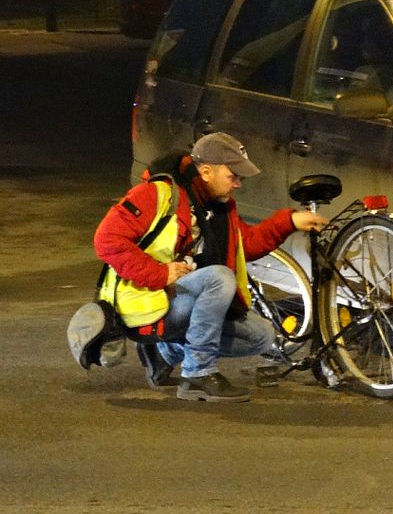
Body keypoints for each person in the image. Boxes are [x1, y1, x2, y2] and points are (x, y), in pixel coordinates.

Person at [93, 132, 326, 402]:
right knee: (219, 278)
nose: (238, 184)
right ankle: (198, 374)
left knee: (261, 337)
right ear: (205, 172)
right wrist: (160, 273)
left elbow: (246, 245)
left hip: (183, 299)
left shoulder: (220, 205)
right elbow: (106, 240)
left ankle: (165, 352)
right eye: (233, 176)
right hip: (149, 300)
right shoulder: (156, 194)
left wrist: (289, 222)